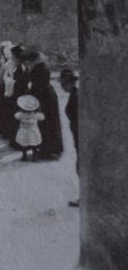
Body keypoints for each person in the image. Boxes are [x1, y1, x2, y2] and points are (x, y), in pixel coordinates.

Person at [21, 46, 64, 160]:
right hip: (46, 95)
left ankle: (49, 150)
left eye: (30, 61)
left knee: (47, 123)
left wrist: (30, 93)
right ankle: (51, 149)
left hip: (45, 97)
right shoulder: (41, 66)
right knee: (49, 123)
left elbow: (37, 84)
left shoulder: (40, 68)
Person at [60, 68, 79, 206]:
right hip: (77, 133)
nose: (62, 87)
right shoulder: (74, 94)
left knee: (81, 166)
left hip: (80, 134)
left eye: (63, 84)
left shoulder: (76, 96)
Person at [0, 40, 17, 145]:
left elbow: (4, 75)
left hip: (6, 86)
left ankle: (6, 130)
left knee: (6, 109)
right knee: (2, 109)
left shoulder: (9, 63)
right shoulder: (4, 60)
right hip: (3, 85)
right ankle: (4, 130)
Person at [15, 94, 45, 161]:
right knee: (34, 144)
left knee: (24, 144)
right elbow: (42, 118)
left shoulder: (21, 114)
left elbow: (16, 116)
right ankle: (34, 156)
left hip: (23, 130)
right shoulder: (35, 115)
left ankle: (24, 156)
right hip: (33, 131)